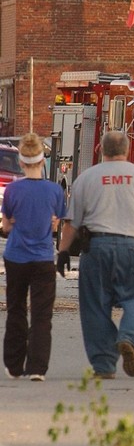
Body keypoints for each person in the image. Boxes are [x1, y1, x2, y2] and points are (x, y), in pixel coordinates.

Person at [56, 131, 134, 380]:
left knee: (95, 305)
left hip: (96, 248)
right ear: (127, 150)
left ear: (100, 149)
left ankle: (104, 365)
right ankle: (129, 337)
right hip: (133, 248)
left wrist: (63, 251)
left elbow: (71, 222)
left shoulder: (87, 178)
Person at [2, 133, 66, 381]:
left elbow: (6, 226)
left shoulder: (12, 190)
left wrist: (16, 220)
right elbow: (55, 224)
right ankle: (37, 367)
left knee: (16, 309)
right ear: (43, 161)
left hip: (16, 256)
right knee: (42, 313)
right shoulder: (54, 191)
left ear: (21, 161)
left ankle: (14, 364)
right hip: (42, 258)